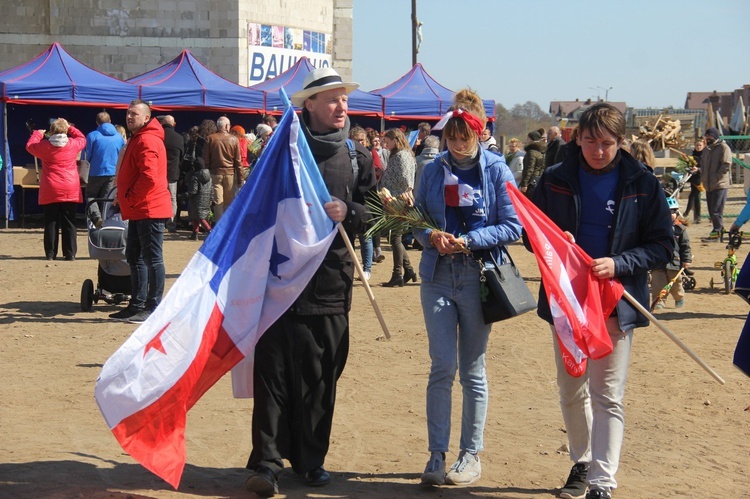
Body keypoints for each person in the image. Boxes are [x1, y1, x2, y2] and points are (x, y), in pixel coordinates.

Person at [528, 103, 673, 499]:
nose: (598, 150)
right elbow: (531, 231)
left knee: (607, 394)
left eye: (607, 143)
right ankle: (582, 461)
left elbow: (662, 245)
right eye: (591, 141)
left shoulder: (642, 182)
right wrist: (557, 243)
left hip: (616, 301)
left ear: (620, 142)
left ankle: (602, 483)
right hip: (567, 303)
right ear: (578, 138)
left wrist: (620, 263)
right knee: (571, 388)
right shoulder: (555, 178)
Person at [245, 67, 375, 497]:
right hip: (280, 285)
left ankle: (310, 459)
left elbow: (373, 214)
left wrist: (349, 211)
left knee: (322, 381)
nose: (342, 107)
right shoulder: (281, 150)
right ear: (310, 106)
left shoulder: (356, 156)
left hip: (331, 287)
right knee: (273, 379)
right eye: (333, 99)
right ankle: (265, 463)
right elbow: (254, 205)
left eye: (344, 99)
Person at [412, 89, 522, 487]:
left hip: (479, 279)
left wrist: (471, 240)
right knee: (441, 366)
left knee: (472, 370)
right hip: (437, 276)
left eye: (464, 138)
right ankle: (436, 455)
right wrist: (430, 236)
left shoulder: (497, 170)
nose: (457, 146)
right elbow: (415, 221)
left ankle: (470, 454)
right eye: (451, 138)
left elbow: (514, 226)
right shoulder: (431, 170)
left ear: (477, 133)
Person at [109, 100, 172, 324]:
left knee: (152, 259)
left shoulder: (147, 139)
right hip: (139, 208)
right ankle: (136, 304)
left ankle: (153, 308)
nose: (129, 117)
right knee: (134, 257)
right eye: (127, 113)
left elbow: (149, 177)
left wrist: (129, 198)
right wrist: (126, 198)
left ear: (147, 118)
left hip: (148, 208)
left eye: (134, 114)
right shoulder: (140, 138)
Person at [26, 118, 86, 260]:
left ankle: (51, 254)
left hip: (51, 187)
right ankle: (70, 254)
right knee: (70, 222)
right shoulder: (72, 144)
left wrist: (38, 134)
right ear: (65, 131)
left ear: (51, 131)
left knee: (51, 222)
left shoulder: (44, 146)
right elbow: (82, 138)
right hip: (70, 187)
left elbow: (29, 146)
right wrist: (70, 127)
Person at [379, 127, 417, 287]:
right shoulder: (403, 154)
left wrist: (392, 192)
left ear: (396, 140)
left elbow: (405, 180)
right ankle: (407, 270)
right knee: (394, 237)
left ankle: (398, 274)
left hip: (398, 200)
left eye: (387, 141)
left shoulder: (401, 156)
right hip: (397, 199)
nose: (385, 144)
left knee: (395, 238)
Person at [85, 111, 125, 228]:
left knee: (91, 196)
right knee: (107, 199)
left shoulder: (92, 135)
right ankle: (106, 222)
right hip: (113, 172)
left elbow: (87, 155)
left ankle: (96, 217)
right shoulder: (119, 137)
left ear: (97, 122)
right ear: (110, 121)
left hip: (95, 172)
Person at [652, 197, 692, 309]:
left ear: (677, 213)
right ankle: (659, 301)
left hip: (674, 262)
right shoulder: (654, 228)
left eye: (673, 212)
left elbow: (685, 246)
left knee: (676, 284)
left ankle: (679, 298)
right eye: (667, 212)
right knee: (657, 283)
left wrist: (686, 260)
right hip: (658, 262)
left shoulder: (680, 229)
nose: (670, 214)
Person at [203, 116, 242, 221]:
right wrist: (240, 179)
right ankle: (227, 225)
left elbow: (206, 159)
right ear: (226, 126)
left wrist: (207, 172)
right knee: (228, 202)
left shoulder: (210, 138)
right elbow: (238, 161)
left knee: (217, 202)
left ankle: (218, 227)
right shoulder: (234, 140)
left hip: (215, 173)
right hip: (229, 174)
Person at [350, 125, 375, 280]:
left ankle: (367, 269)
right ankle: (351, 266)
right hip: (350, 202)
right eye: (358, 140)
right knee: (351, 239)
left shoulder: (368, 156)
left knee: (366, 237)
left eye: (363, 140)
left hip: (365, 202)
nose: (361, 142)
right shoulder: (346, 155)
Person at [184, 122, 214, 240]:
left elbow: (193, 190)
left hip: (196, 199)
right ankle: (194, 233)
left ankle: (209, 231)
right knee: (197, 216)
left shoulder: (195, 176)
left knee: (198, 216)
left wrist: (187, 194)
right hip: (205, 199)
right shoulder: (208, 176)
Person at [703, 127, 732, 240]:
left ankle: (716, 233)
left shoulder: (723, 148)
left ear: (715, 136)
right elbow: (704, 166)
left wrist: (716, 177)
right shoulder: (707, 150)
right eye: (706, 136)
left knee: (716, 210)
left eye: (709, 136)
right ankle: (719, 230)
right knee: (712, 211)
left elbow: (726, 165)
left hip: (720, 185)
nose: (707, 138)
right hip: (709, 185)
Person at [160, 115, 184, 233]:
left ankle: (159, 222)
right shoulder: (179, 138)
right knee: (172, 199)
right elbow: (182, 156)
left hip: (158, 173)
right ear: (173, 124)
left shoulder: (158, 136)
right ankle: (171, 223)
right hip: (173, 173)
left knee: (158, 197)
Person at [683, 137, 705, 225]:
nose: (698, 147)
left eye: (700, 145)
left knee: (692, 196)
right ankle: (698, 217)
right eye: (697, 145)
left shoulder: (705, 155)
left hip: (700, 179)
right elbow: (689, 163)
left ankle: (686, 213)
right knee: (696, 198)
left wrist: (698, 169)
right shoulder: (693, 155)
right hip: (693, 178)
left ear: (703, 146)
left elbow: (706, 167)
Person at [519, 129, 546, 199]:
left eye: (528, 137)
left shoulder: (531, 152)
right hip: (537, 180)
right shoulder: (541, 151)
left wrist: (524, 184)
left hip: (530, 182)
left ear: (531, 139)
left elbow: (529, 168)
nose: (526, 139)